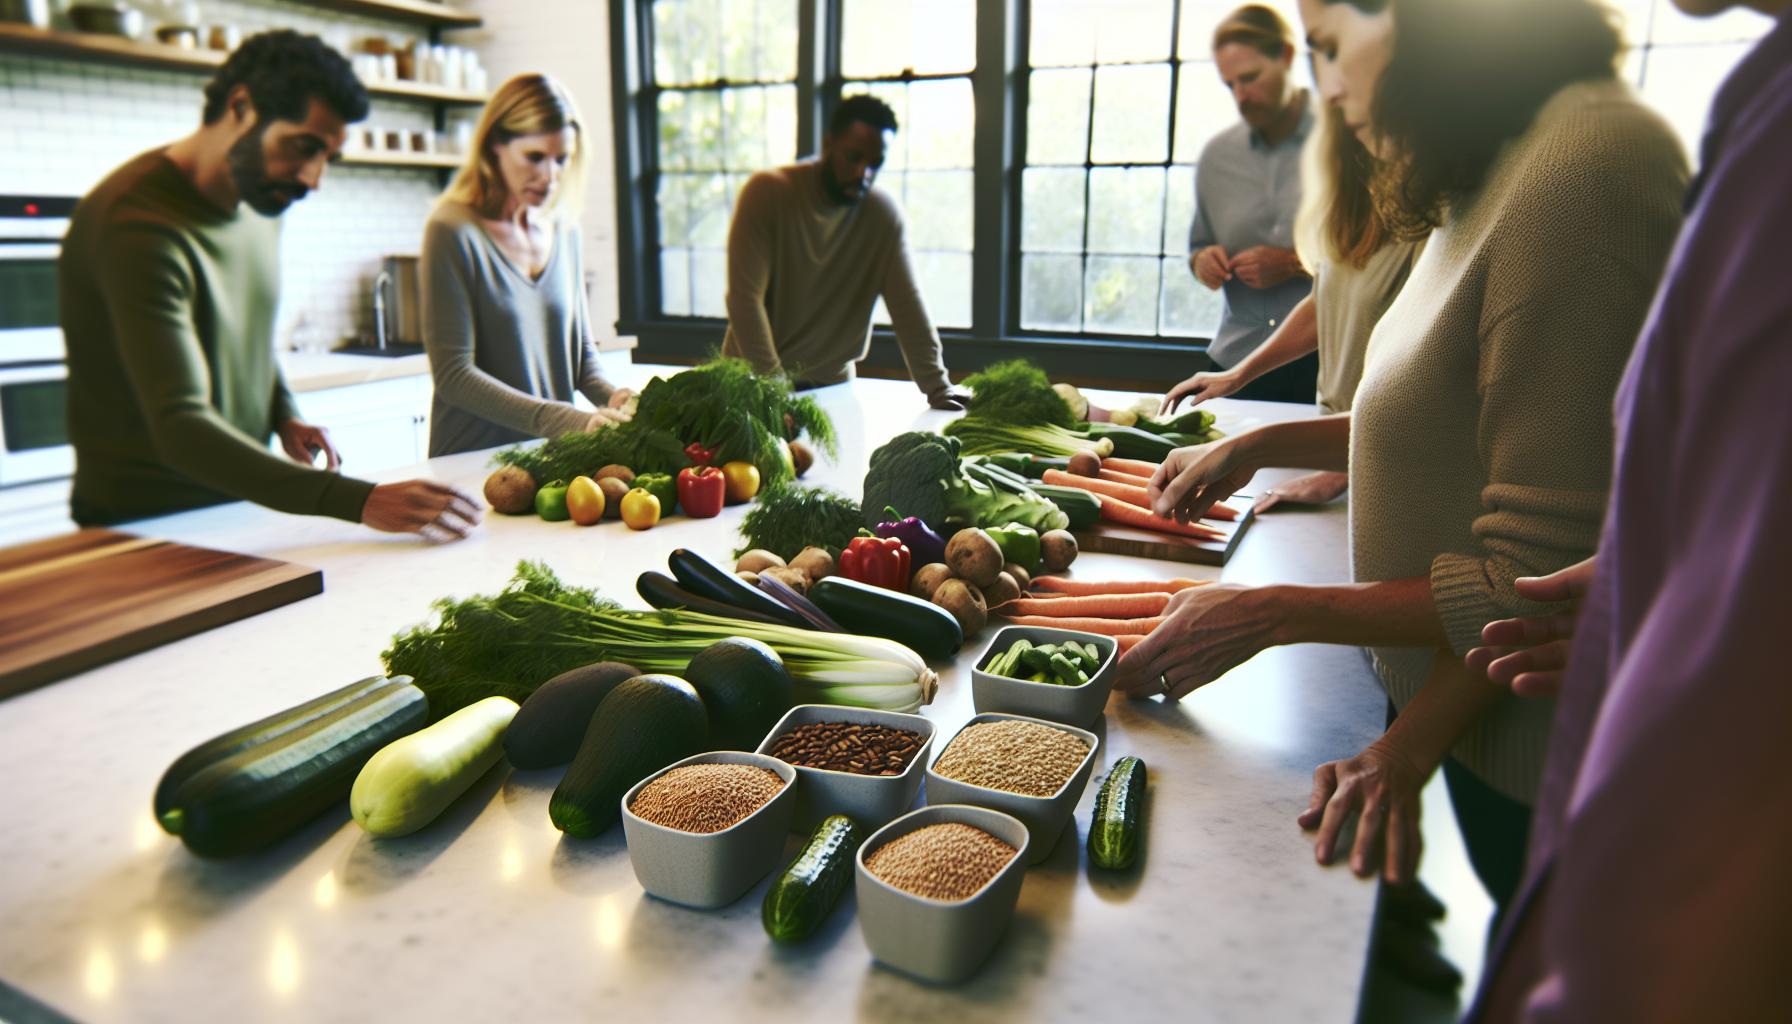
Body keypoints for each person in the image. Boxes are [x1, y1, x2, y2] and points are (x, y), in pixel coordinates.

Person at [1116, 0, 1687, 929]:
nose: (1328, 90)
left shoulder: (1584, 174)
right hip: (1466, 701)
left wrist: (1272, 612)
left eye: (1333, 49)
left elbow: (1535, 579)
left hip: (1552, 755)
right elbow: (1440, 419)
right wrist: (1256, 441)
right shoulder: (1491, 169)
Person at [1463, 2, 1792, 1018]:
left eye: (1336, 48)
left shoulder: (1595, 158)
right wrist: (1658, 576)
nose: (1333, 84)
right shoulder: (1760, 111)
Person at [60, 31, 479, 541]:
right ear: (241, 106)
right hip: (148, 524)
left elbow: (246, 333)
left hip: (239, 502)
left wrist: (283, 411)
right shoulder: (139, 226)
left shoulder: (258, 201)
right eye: (303, 146)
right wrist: (360, 499)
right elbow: (181, 426)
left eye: (327, 156)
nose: (313, 178)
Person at [1162, 103, 1424, 512]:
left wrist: (1335, 473)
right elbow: (1323, 306)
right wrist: (1237, 374)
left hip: (1382, 456)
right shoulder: (1351, 217)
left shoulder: (1428, 229)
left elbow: (1427, 386)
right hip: (1339, 444)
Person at [421, 74, 632, 458]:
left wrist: (614, 398)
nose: (549, 177)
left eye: (561, 159)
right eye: (534, 157)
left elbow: (581, 357)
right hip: (470, 466)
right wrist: (563, 420)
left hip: (548, 460)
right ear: (494, 147)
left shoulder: (564, 231)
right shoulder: (452, 230)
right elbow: (454, 375)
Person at [720, 94, 971, 410]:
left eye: (874, 164)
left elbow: (907, 304)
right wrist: (774, 390)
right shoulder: (768, 193)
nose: (862, 173)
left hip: (832, 389)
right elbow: (744, 299)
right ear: (828, 145)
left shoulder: (882, 216)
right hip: (752, 385)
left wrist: (937, 385)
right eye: (853, 157)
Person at [1185, 4, 1316, 403]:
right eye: (1230, 85)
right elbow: (1197, 246)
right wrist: (1203, 261)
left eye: (1251, 78)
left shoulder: (1346, 141)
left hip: (1323, 364)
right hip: (1233, 361)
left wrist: (1293, 263)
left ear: (1287, 57)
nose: (1241, 96)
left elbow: (1372, 262)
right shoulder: (1216, 157)